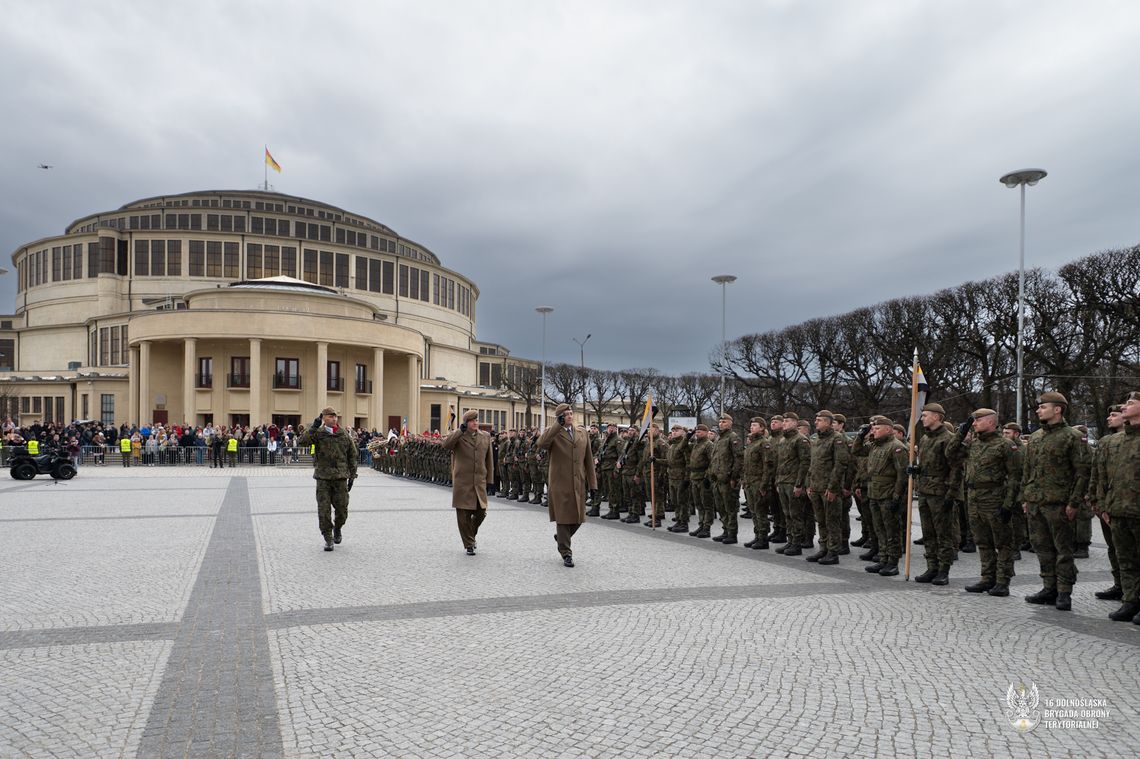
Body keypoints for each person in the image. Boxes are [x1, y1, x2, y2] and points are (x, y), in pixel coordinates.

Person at [1020, 392, 1091, 611]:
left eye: (1043, 407)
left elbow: (1082, 473)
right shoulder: (1037, 437)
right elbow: (1027, 470)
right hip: (1036, 502)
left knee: (1063, 550)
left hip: (1059, 503)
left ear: (1057, 409)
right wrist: (1025, 496)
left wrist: (1074, 503)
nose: (1038, 410)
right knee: (1042, 547)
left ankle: (1063, 591)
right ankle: (1048, 586)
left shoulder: (1072, 436)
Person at [537, 403, 597, 568]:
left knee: (578, 517)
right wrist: (558, 424)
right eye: (566, 414)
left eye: (571, 413)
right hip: (560, 482)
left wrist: (593, 484)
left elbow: (589, 460)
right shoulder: (554, 433)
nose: (570, 416)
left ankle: (562, 538)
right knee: (563, 519)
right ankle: (566, 553)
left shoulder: (582, 432)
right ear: (560, 417)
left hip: (578, 482)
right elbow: (541, 444)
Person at [298, 407, 359, 552]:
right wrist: (314, 426)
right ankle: (328, 537)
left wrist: (352, 475)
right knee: (323, 510)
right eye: (331, 417)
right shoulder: (318, 433)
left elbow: (352, 454)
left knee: (342, 509)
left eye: (335, 417)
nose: (334, 419)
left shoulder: (343, 434)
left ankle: (337, 528)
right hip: (323, 477)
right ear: (324, 418)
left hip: (340, 477)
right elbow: (302, 442)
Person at [441, 410, 493, 555]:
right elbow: (446, 444)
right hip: (463, 482)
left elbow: (489, 460)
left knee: (481, 512)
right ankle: (469, 544)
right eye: (472, 421)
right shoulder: (459, 436)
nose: (475, 423)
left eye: (476, 420)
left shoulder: (485, 436)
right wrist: (459, 431)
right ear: (466, 423)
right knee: (463, 515)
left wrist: (489, 480)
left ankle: (470, 535)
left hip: (479, 481)